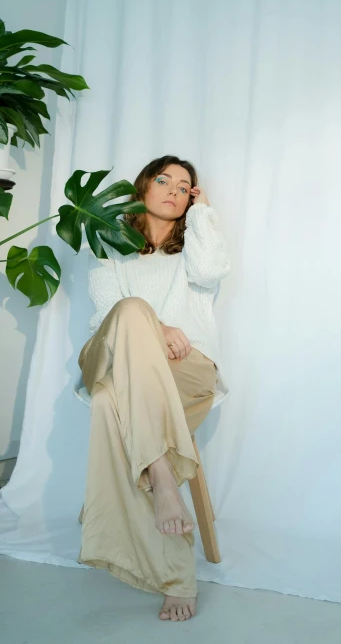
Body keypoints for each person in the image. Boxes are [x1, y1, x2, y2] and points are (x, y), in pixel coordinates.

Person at [76, 154, 231, 622]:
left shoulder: (192, 250)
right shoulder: (111, 245)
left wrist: (202, 214)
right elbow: (108, 313)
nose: (173, 190)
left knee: (108, 402)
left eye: (185, 188)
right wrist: (156, 325)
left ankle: (164, 557)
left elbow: (209, 272)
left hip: (186, 371)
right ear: (143, 187)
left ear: (190, 201)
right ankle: (165, 482)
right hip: (113, 355)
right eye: (163, 180)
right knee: (129, 311)